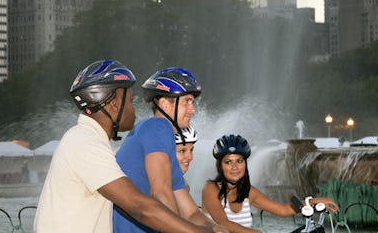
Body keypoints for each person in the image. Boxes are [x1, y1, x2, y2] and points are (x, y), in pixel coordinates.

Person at [35, 59, 222, 233]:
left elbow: (183, 209)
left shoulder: (93, 143)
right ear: (114, 103)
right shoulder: (83, 140)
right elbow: (140, 207)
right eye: (131, 101)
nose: (134, 110)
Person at [114, 67, 223, 233]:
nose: (192, 109)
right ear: (165, 104)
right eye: (187, 101)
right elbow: (161, 194)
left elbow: (191, 212)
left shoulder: (162, 144)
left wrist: (215, 228)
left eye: (193, 102)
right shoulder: (157, 126)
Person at [203, 134, 340, 232]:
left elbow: (282, 209)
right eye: (228, 162)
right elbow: (223, 222)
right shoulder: (211, 188)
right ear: (220, 166)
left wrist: (316, 201)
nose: (235, 167)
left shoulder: (248, 191)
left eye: (239, 161)